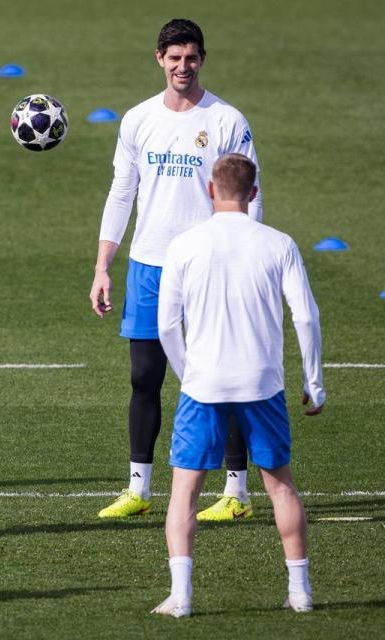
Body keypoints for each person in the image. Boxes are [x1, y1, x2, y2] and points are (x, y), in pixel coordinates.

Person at [90, 19, 264, 520]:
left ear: (202, 59)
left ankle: (236, 493)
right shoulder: (138, 119)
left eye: (190, 58)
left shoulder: (226, 119)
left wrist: (242, 257)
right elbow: (121, 193)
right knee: (144, 377)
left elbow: (251, 196)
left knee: (222, 377)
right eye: (174, 58)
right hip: (148, 265)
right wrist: (103, 265)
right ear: (159, 59)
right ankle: (138, 490)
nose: (182, 67)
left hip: (211, 264)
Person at [152, 153, 324, 617]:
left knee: (184, 491)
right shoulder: (279, 243)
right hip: (262, 385)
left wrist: (188, 374)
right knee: (281, 488)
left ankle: (181, 597)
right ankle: (300, 592)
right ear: (254, 192)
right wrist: (314, 381)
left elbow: (166, 324)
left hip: (202, 387)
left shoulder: (184, 245)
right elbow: (306, 316)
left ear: (211, 190)